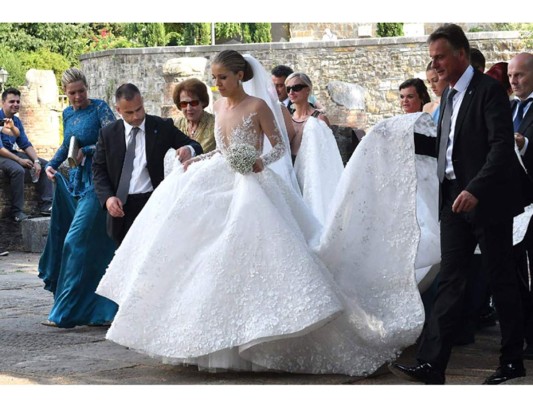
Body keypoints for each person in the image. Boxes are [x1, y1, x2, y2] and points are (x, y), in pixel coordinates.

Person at [95, 50, 426, 377]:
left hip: (252, 181)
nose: (217, 84)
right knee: (200, 255)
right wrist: (195, 160)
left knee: (249, 247)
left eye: (222, 77)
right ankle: (211, 336)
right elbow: (220, 151)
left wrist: (258, 162)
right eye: (214, 78)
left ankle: (259, 334)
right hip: (218, 179)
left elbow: (278, 145)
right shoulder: (220, 106)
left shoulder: (258, 106)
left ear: (239, 75)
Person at [389, 23, 526, 385]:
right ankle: (433, 365)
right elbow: (446, 149)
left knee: (501, 281)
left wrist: (476, 189)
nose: (434, 66)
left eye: (440, 57)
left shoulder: (489, 91)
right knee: (450, 281)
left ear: (461, 54)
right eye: (431, 59)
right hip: (452, 199)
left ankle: (512, 361)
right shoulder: (447, 96)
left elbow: (500, 147)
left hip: (488, 201)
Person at [38, 68, 118, 328]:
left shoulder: (100, 109)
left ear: (87, 88)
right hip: (76, 184)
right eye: (72, 93)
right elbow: (65, 144)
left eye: (81, 91)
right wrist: (51, 163)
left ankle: (66, 311)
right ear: (65, 93)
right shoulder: (67, 113)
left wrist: (88, 150)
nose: (77, 96)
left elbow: (115, 141)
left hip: (99, 184)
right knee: (96, 247)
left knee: (74, 242)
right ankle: (101, 310)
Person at [92, 83, 202, 246]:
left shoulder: (162, 126)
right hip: (122, 208)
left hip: (154, 204)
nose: (136, 116)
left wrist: (188, 149)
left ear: (142, 102)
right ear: (118, 110)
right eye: (129, 112)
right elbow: (98, 169)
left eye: (139, 109)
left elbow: (196, 146)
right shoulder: (108, 134)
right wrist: (108, 198)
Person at [286, 71, 343, 224]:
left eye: (296, 87)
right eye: (288, 89)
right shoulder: (285, 119)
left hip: (312, 173)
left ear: (307, 90)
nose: (291, 92)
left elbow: (328, 154)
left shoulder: (319, 118)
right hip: (289, 171)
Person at [509, 52, 533, 360]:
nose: (514, 80)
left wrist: (524, 145)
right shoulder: (506, 107)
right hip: (511, 206)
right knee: (514, 275)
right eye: (512, 76)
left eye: (521, 75)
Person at [0, 88, 53, 222]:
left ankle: (47, 205)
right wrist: (19, 160)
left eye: (18, 101)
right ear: (2, 102)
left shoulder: (16, 121)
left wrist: (35, 160)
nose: (15, 104)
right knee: (18, 170)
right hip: (1, 154)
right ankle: (17, 212)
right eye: (11, 101)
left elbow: (25, 144)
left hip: (11, 152)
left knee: (45, 164)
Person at [172, 78, 216, 153]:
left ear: (203, 102)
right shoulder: (175, 125)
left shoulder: (216, 124)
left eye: (194, 103)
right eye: (184, 104)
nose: (189, 108)